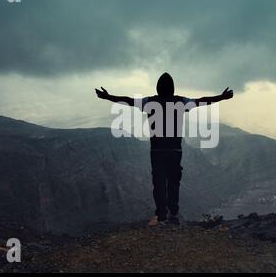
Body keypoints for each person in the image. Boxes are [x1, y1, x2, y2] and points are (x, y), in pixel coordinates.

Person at [95, 72, 233, 226]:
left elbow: (128, 101)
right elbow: (202, 101)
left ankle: (161, 216)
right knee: (174, 183)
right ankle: (173, 213)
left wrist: (108, 97)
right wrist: (221, 97)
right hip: (175, 151)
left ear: (158, 88)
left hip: (157, 151)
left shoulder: (149, 102)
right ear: (173, 88)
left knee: (159, 183)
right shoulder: (180, 102)